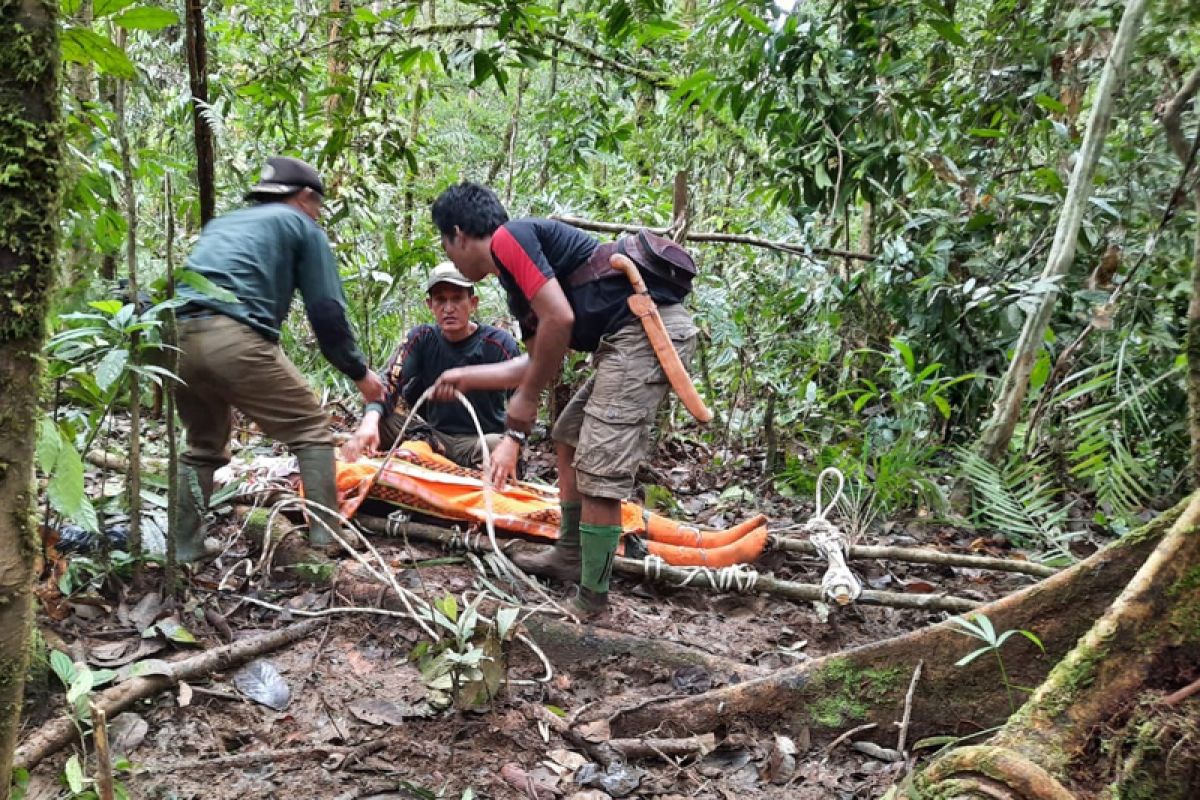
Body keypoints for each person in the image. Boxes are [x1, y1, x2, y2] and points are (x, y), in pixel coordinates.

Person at [430, 182, 698, 616]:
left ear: (458, 234)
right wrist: (465, 376)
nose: (451, 255)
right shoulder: (516, 278)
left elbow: (560, 318)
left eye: (446, 244)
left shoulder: (509, 239)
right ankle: (570, 553)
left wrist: (522, 411)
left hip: (644, 333)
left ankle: (592, 601)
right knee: (568, 434)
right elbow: (535, 360)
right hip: (622, 340)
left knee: (599, 466)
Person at [174, 155, 385, 562]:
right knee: (312, 431)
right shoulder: (302, 226)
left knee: (202, 446)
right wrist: (359, 373)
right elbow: (326, 311)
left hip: (178, 338)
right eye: (318, 205)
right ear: (306, 197)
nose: (318, 213)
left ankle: (184, 546)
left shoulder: (222, 224)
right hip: (235, 338)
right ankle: (326, 540)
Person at [341, 262, 521, 467]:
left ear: (473, 303)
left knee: (498, 445)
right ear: (430, 305)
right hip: (434, 437)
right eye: (440, 300)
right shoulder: (422, 338)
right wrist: (370, 420)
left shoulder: (498, 343)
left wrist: (513, 440)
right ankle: (419, 455)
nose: (449, 308)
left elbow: (524, 393)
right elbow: (389, 381)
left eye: (457, 298)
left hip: (479, 442)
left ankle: (423, 458)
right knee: (381, 422)